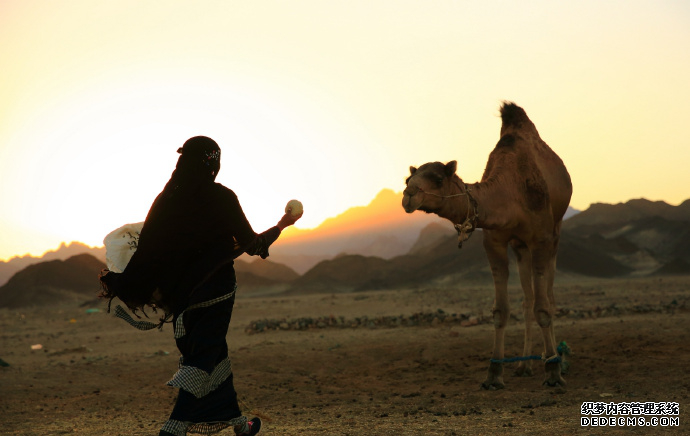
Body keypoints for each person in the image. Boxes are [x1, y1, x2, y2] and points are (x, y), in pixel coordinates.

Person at [98, 136, 301, 436]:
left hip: (180, 299)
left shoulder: (165, 201)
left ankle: (239, 424)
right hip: (216, 292)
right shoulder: (222, 198)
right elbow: (253, 245)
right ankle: (173, 428)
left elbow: (148, 248)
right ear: (213, 164)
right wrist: (283, 224)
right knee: (203, 359)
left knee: (215, 353)